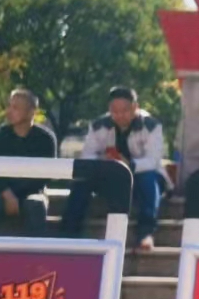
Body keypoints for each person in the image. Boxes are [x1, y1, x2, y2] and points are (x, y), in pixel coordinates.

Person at [61, 86, 168, 248]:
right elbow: (88, 155)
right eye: (114, 111)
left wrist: (128, 165)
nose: (119, 115)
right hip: (109, 175)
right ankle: (69, 231)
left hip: (141, 175)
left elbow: (152, 160)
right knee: (81, 182)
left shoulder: (151, 126)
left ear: (135, 107)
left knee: (149, 181)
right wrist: (103, 162)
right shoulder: (99, 125)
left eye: (124, 110)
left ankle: (146, 232)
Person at [0, 89, 56, 237]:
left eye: (15, 108)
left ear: (31, 112)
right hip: (1, 191)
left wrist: (21, 195)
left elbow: (45, 176)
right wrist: (7, 194)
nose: (9, 111)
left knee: (35, 205)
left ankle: (37, 251)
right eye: (9, 106)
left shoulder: (46, 139)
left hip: (33, 192)